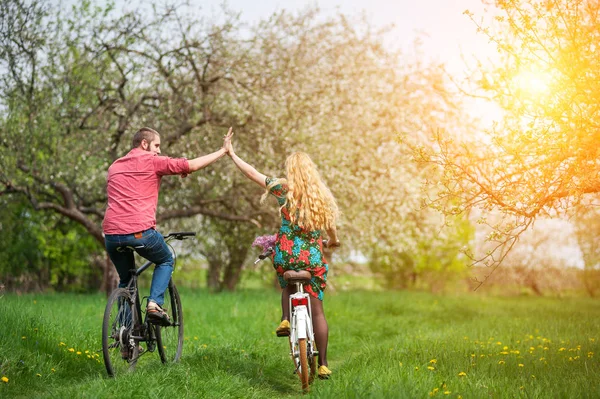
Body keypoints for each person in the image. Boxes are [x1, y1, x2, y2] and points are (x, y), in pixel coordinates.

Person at [225, 131, 340, 379]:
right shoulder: (319, 195)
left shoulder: (282, 189)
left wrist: (232, 154)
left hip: (286, 254)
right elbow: (330, 228)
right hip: (312, 258)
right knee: (317, 311)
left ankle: (286, 318)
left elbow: (252, 173)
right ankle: (323, 364)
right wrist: (333, 240)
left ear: (291, 170)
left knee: (287, 282)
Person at [103, 126, 232, 325]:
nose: (159, 151)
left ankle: (125, 338)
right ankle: (154, 304)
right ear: (144, 143)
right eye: (156, 145)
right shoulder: (152, 161)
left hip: (111, 236)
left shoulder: (115, 166)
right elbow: (192, 165)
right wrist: (223, 151)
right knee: (166, 259)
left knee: (126, 281)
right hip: (140, 232)